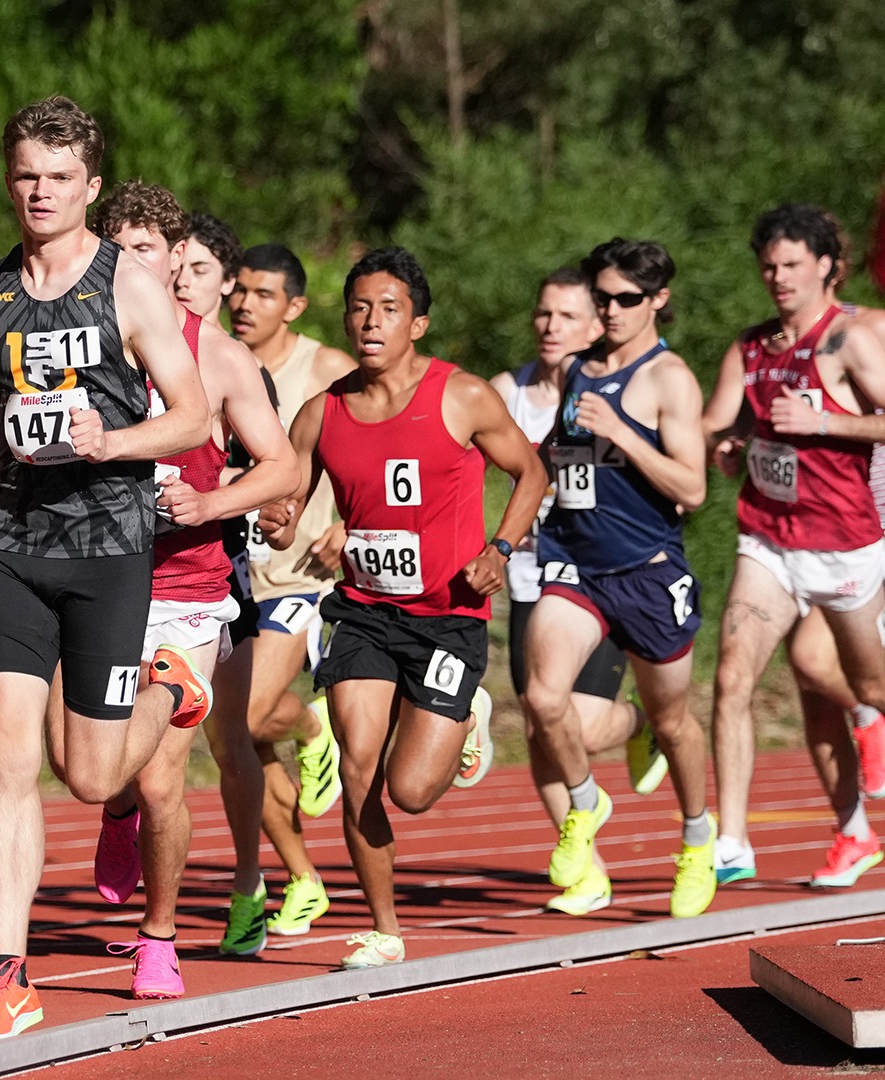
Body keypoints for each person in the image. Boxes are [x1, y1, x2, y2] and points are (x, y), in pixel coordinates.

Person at [0, 96, 214, 1043]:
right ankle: (8, 977)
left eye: (56, 177)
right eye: (24, 176)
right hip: (12, 544)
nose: (37, 192)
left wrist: (112, 437)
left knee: (90, 777)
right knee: (7, 751)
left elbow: (194, 415)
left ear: (89, 185)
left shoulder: (131, 286)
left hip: (110, 551)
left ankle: (167, 686)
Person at [260, 247, 545, 969]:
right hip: (364, 612)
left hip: (450, 616)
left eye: (388, 309)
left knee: (411, 790)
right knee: (359, 767)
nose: (370, 321)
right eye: (358, 307)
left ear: (418, 322)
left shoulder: (464, 397)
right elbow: (288, 498)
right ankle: (384, 930)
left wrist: (502, 551)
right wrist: (282, 520)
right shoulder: (321, 412)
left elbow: (531, 472)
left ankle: (466, 712)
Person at [88, 183, 296, 996]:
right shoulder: (83, 340)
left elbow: (282, 466)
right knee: (92, 765)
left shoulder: (216, 354)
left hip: (187, 587)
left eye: (145, 248)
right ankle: (111, 810)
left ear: (177, 259)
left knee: (161, 775)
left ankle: (158, 939)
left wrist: (210, 502)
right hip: (95, 580)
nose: (129, 264)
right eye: (118, 248)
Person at [520, 241, 716, 920]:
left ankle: (696, 839)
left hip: (648, 571)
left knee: (672, 721)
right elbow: (561, 455)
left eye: (625, 299)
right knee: (543, 697)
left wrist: (626, 437)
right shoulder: (580, 368)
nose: (610, 311)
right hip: (574, 563)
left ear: (658, 300)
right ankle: (584, 805)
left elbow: (692, 487)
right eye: (602, 298)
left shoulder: (671, 380)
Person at [707, 204, 885, 890]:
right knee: (731, 677)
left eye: (790, 264)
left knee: (856, 687)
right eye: (768, 265)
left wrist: (826, 420)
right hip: (770, 542)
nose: (777, 277)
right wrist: (725, 445)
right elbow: (714, 422)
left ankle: (852, 827)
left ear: (826, 266)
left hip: (842, 547)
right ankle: (731, 843)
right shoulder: (752, 347)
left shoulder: (850, 341)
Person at [490, 266, 664, 917]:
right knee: (541, 722)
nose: (550, 327)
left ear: (596, 326)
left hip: (598, 578)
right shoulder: (510, 391)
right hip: (533, 578)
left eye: (565, 317)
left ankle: (645, 725)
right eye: (543, 314)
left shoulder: (614, 391)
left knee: (581, 728)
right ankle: (587, 867)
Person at [219, 241, 358, 941]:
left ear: (295, 306)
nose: (245, 303)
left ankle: (313, 723)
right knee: (236, 749)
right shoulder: (210, 360)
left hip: (300, 575)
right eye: (238, 289)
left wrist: (354, 528)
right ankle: (302, 876)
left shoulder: (328, 370)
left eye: (264, 293)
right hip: (228, 575)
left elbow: (386, 442)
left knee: (248, 720)